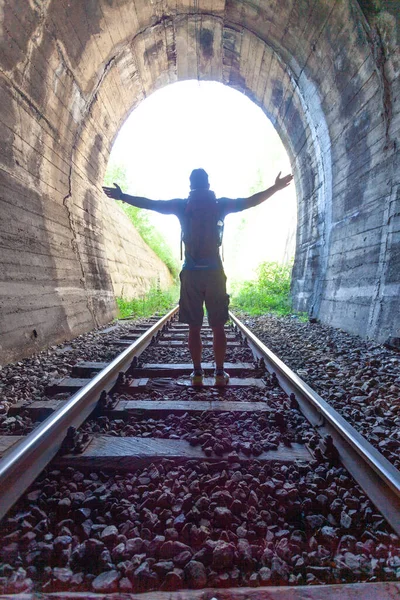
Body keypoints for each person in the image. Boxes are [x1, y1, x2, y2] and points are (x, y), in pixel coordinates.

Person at [103, 168, 293, 386]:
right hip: (214, 272)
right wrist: (276, 188)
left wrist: (123, 196)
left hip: (191, 273)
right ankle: (220, 374)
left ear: (191, 185)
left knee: (194, 327)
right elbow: (250, 201)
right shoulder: (220, 204)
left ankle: (197, 374)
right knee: (218, 326)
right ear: (208, 184)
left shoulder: (181, 205)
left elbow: (151, 203)